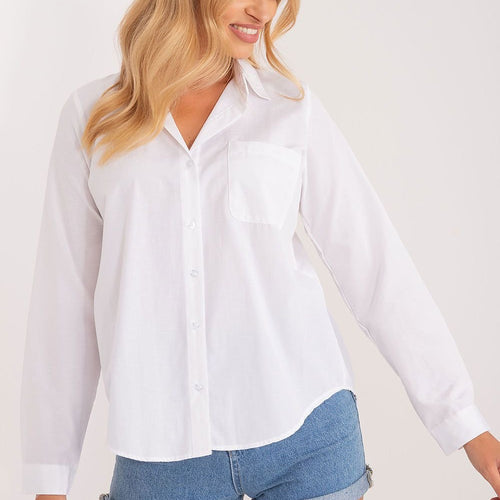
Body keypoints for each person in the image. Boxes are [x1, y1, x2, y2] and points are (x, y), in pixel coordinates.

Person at [20, 0, 500, 499]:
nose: (264, 11)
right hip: (161, 452)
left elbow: (375, 266)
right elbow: (64, 304)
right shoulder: (93, 116)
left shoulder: (289, 108)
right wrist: (49, 478)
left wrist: (464, 423)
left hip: (307, 432)